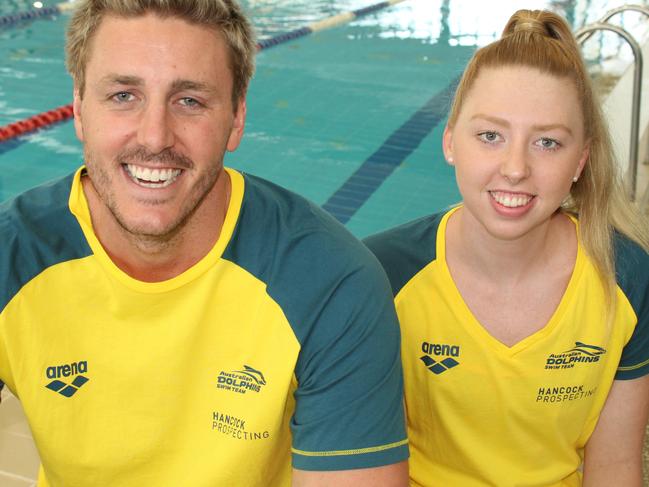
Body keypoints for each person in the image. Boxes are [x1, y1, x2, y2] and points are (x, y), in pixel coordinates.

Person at [0, 1, 409, 485]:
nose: (154, 136)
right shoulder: (14, 256)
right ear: (79, 110)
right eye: (123, 95)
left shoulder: (330, 281)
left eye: (189, 100)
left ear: (236, 119)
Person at [364, 9, 649, 487]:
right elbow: (364, 463)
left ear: (580, 160)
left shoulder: (623, 276)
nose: (515, 168)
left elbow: (615, 466)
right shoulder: (382, 274)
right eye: (491, 136)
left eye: (547, 143)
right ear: (451, 142)